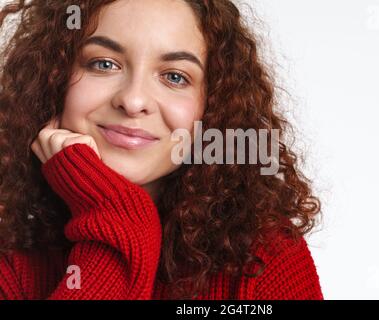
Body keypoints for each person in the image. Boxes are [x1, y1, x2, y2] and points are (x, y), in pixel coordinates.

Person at [0, 0, 323, 300]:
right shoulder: (9, 254)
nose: (133, 101)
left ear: (212, 107)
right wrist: (116, 220)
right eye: (103, 63)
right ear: (51, 79)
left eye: (174, 77)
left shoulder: (265, 254)